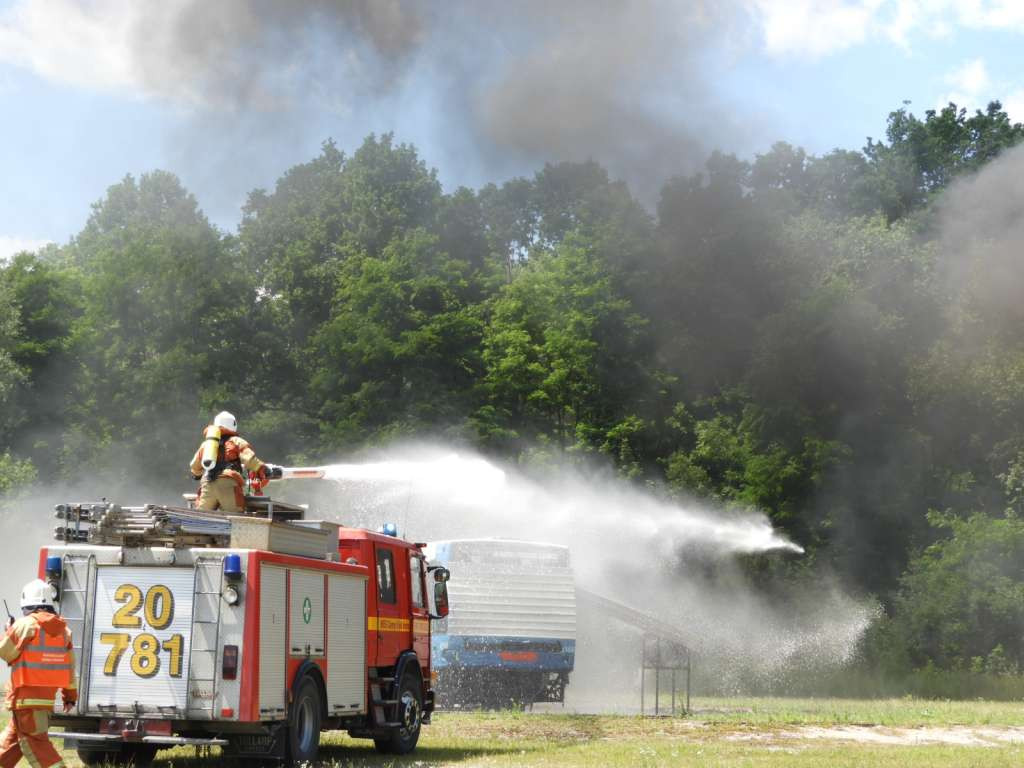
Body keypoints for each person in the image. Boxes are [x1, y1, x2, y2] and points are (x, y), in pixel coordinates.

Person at [0, 579, 76, 768]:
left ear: (27, 604)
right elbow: (69, 669)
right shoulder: (64, 631)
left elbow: (4, 651)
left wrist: (8, 630)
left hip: (25, 699)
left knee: (35, 744)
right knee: (10, 743)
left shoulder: (25, 625)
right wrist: (70, 696)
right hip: (45, 701)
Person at [189, 410, 268, 514]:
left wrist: (197, 474)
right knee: (235, 518)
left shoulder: (207, 445)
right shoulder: (236, 441)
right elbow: (249, 459)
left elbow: (194, 466)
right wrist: (262, 469)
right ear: (233, 424)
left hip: (208, 482)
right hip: (228, 483)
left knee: (202, 518)